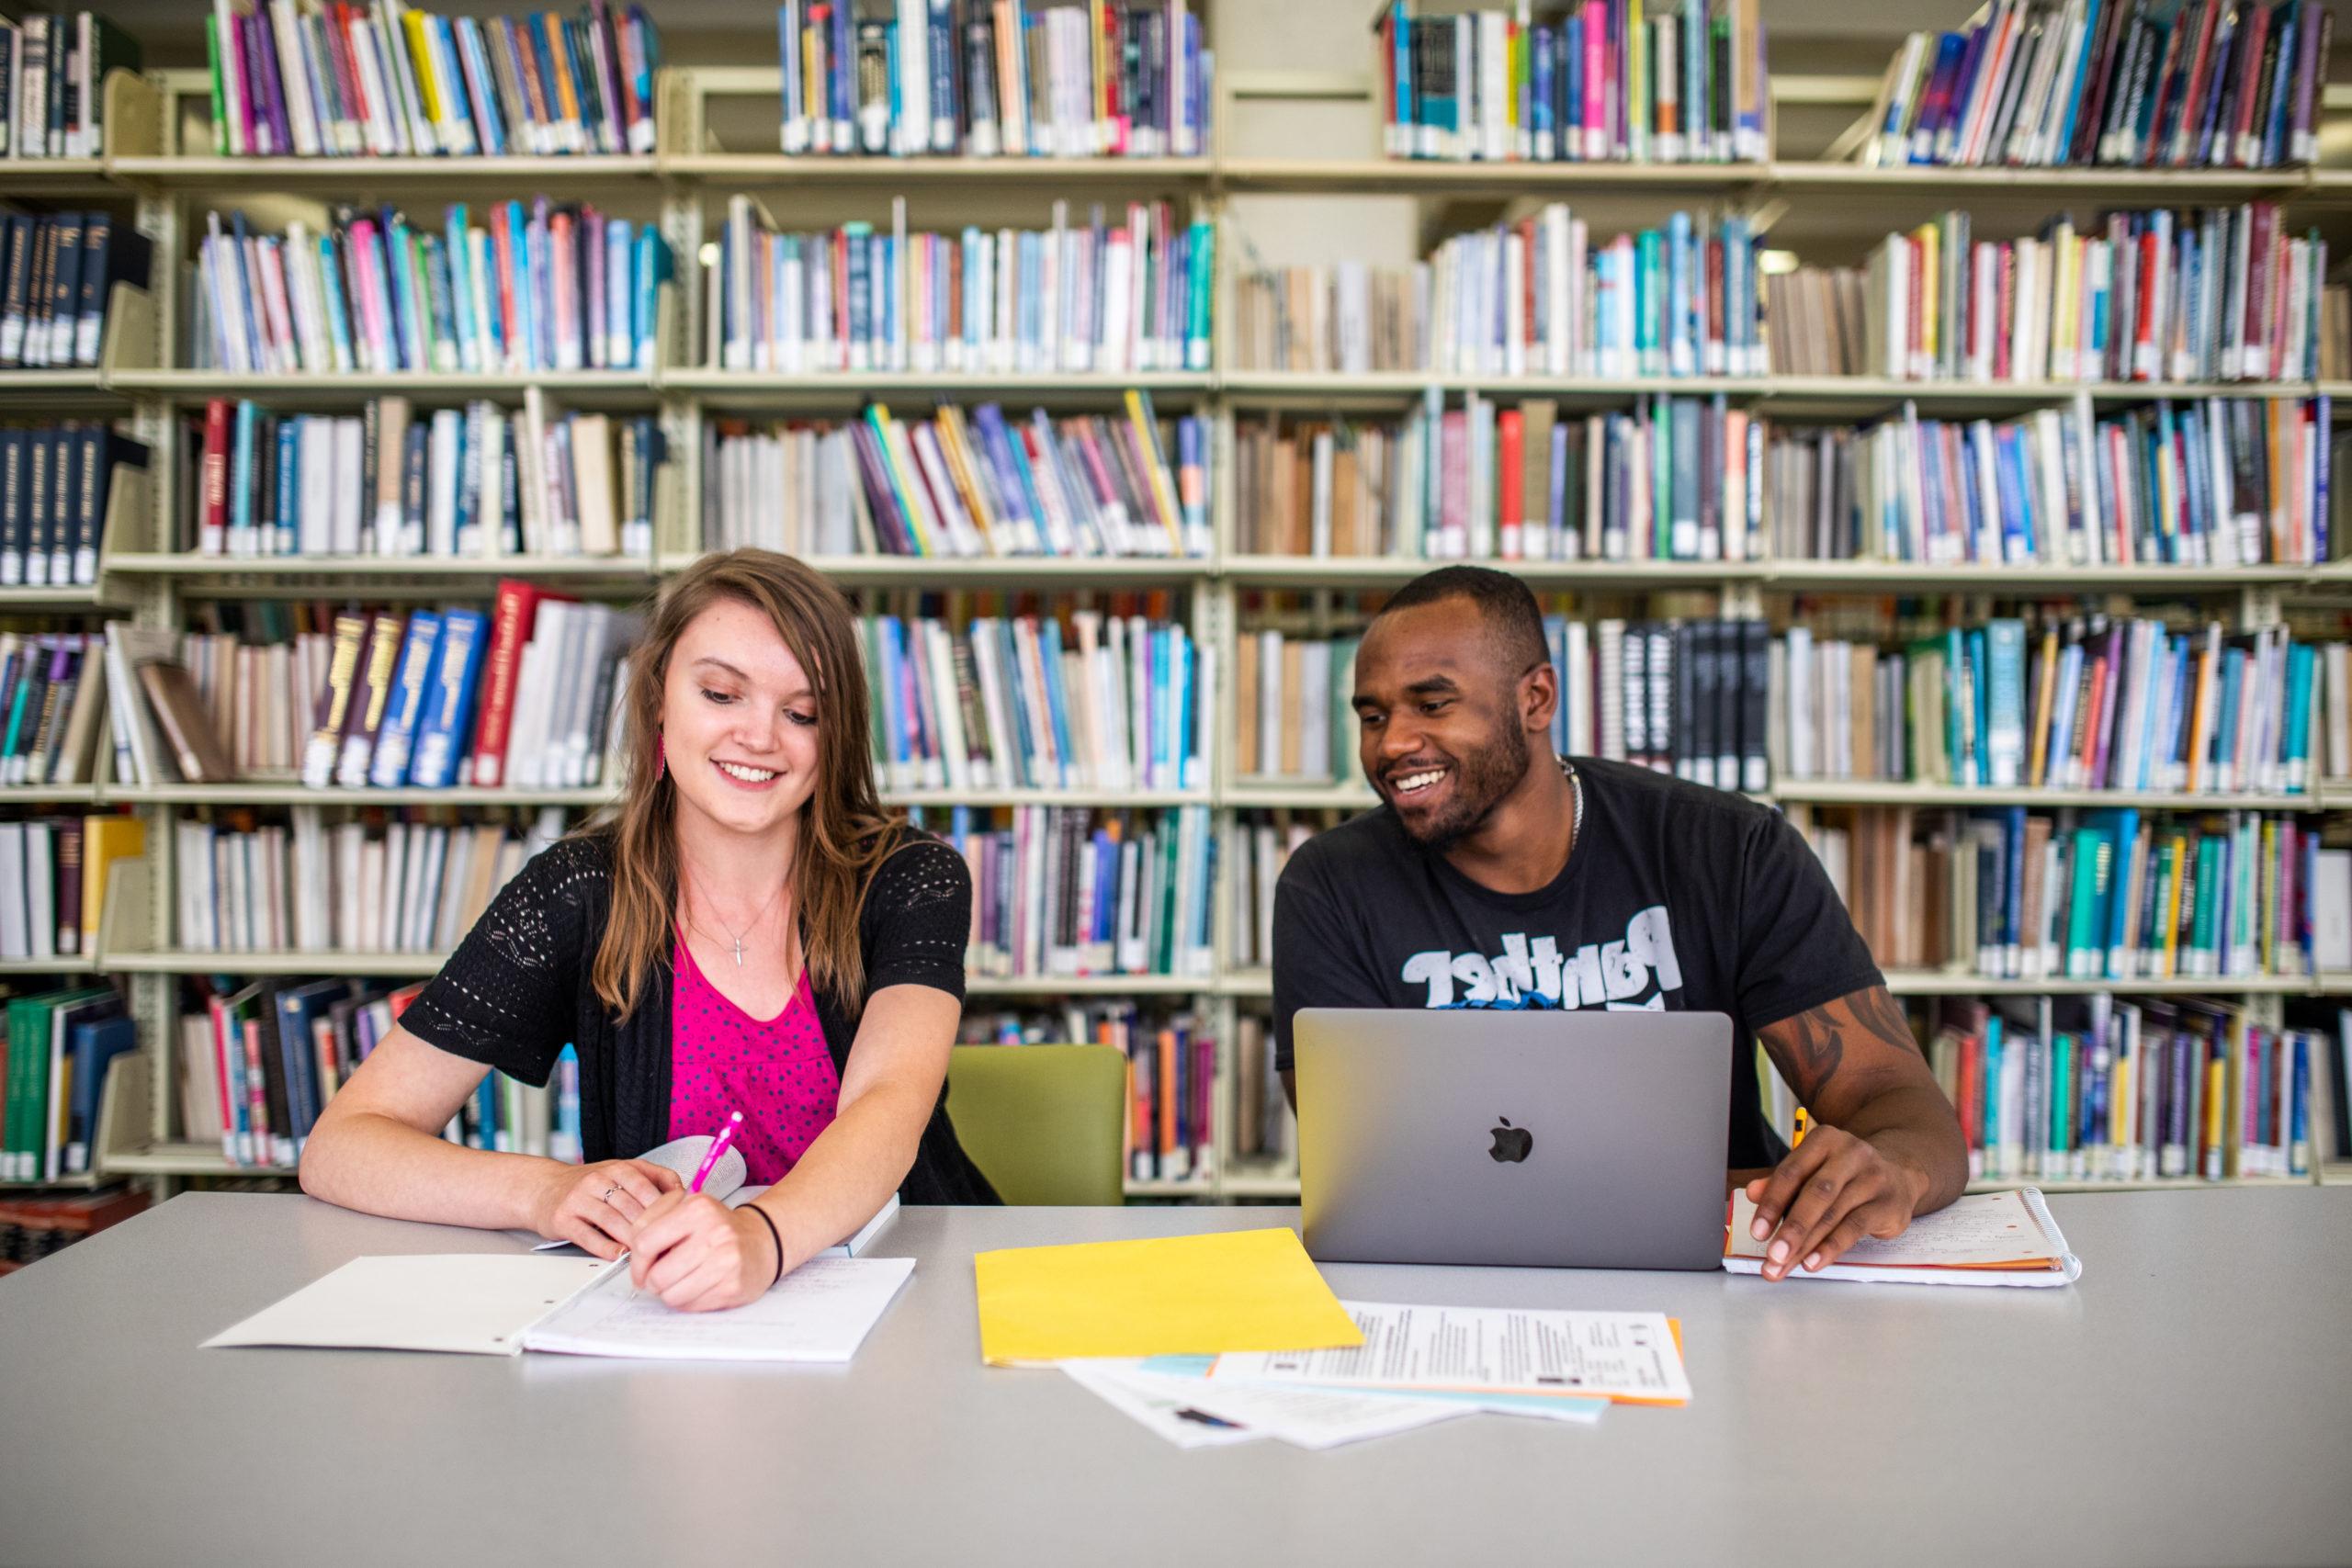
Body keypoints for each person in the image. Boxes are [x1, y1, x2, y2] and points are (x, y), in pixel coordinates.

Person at [301, 549, 995, 1312]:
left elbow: (890, 1105)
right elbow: (344, 1145)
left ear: (836, 738)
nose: (760, 735)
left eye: (802, 712)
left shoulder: (911, 876)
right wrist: (547, 1190)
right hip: (668, 1309)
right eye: (722, 693)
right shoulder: (576, 889)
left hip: (905, 1284)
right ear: (660, 698)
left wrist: (759, 1239)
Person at [1272, 566, 1966, 1280]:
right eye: (1374, 715)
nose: (1391, 745)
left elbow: (1897, 1100)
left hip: (1720, 1270)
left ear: (1535, 698)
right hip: (1453, 1275)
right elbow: (1361, 1170)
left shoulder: (1729, 851)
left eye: (1433, 703)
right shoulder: (1329, 886)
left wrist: (1894, 1171)